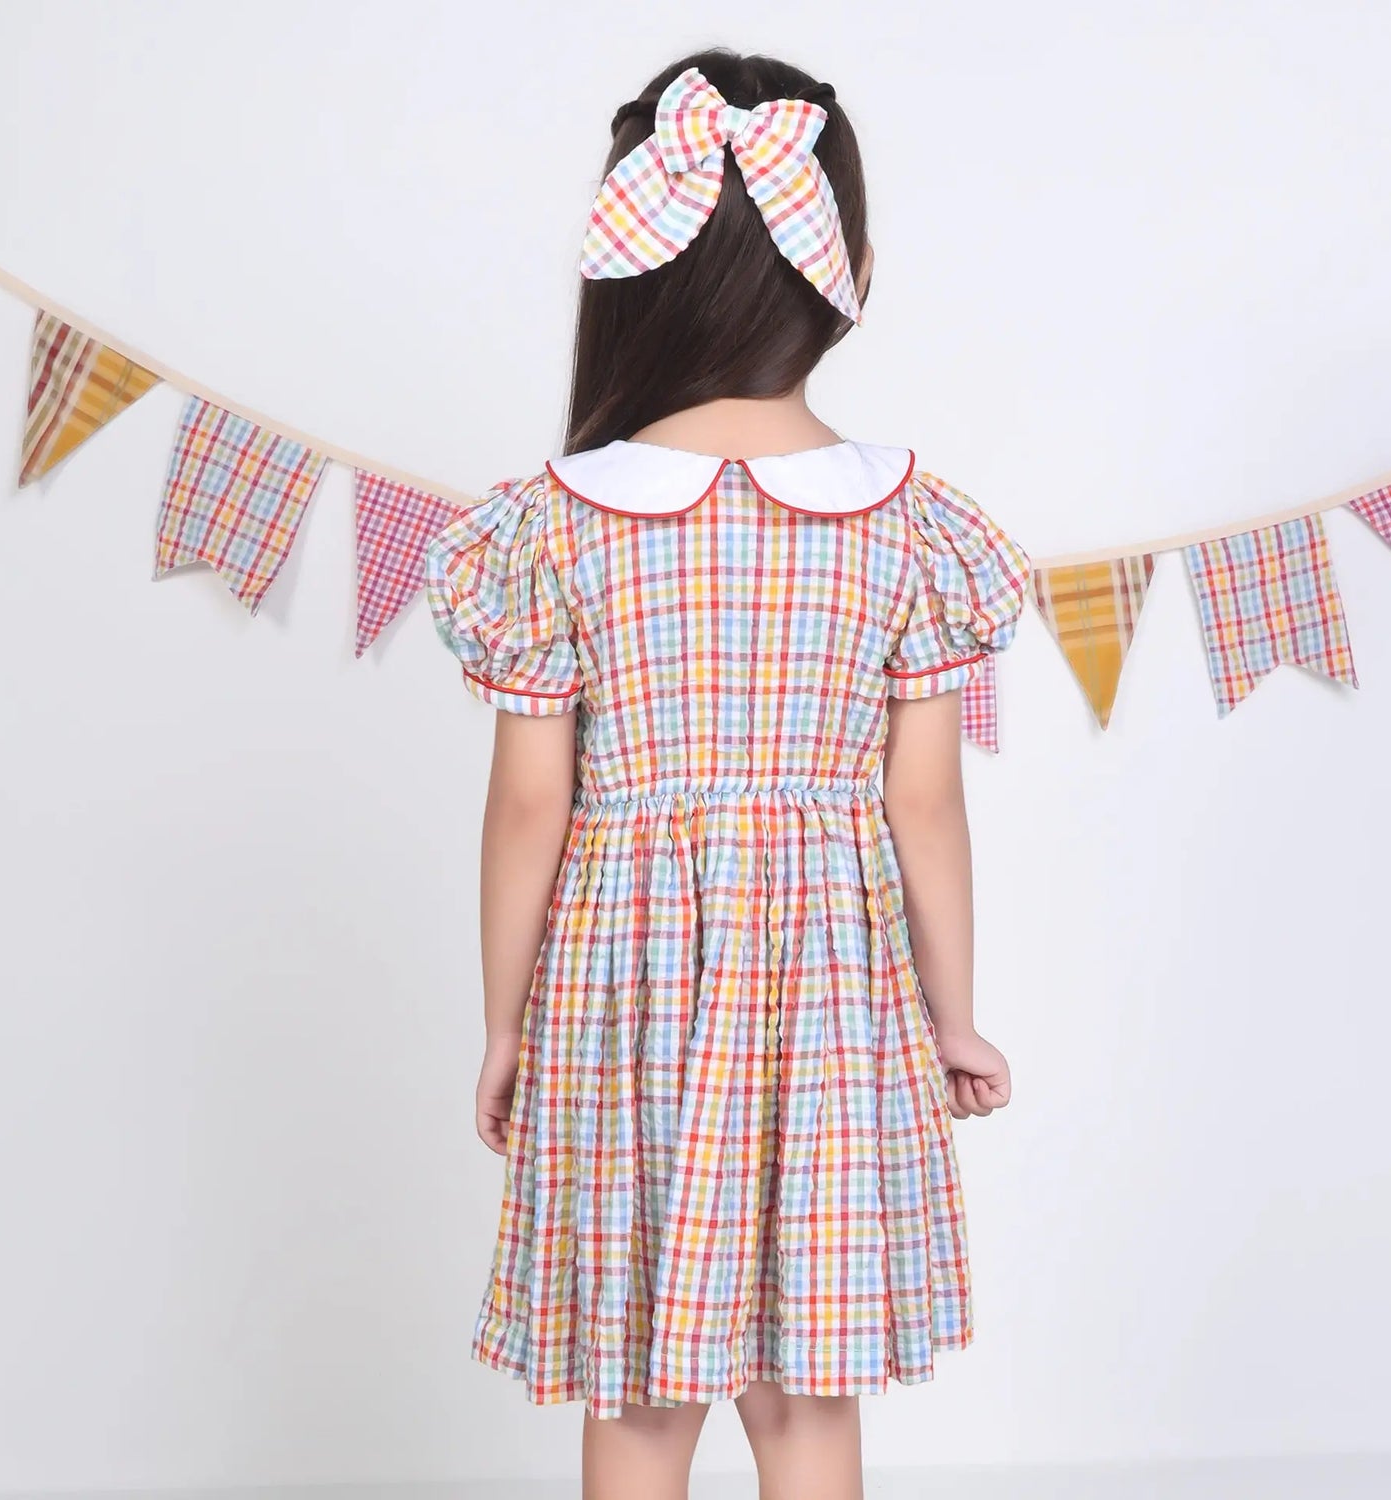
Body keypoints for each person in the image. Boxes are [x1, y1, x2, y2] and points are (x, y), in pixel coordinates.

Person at [425, 48, 1031, 1500]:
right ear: (851, 267)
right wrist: (953, 1017)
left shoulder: (555, 525)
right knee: (806, 1399)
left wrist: (506, 1025)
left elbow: (528, 810)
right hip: (833, 997)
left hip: (621, 1000)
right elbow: (925, 806)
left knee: (637, 1397)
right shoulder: (909, 528)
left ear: (632, 265)